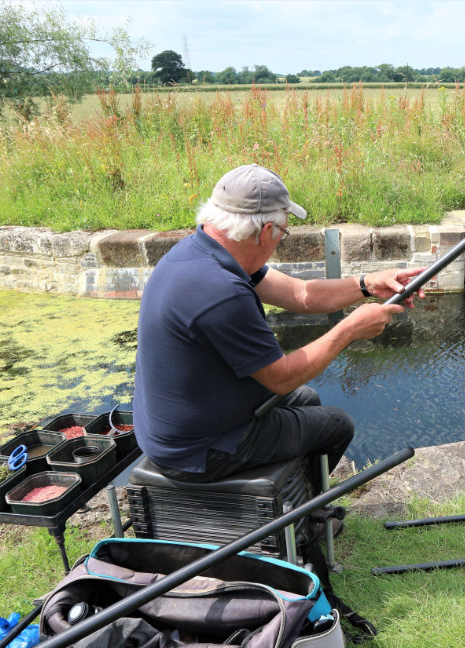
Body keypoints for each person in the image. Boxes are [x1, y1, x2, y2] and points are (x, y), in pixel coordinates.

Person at [132, 164, 425, 484]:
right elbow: (282, 378)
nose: (280, 241)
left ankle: (292, 497)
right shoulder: (221, 293)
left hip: (188, 419)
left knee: (309, 399)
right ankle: (308, 519)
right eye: (283, 233)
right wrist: (351, 329)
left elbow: (302, 295)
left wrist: (367, 284)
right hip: (198, 448)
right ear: (264, 231)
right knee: (337, 425)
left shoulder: (205, 252)